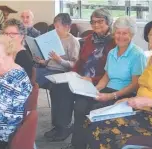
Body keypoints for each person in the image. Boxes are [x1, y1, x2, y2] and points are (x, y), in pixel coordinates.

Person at [86, 16, 152, 149]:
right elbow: (147, 88)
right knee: (91, 119)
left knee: (99, 128)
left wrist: (149, 103)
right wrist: (129, 99)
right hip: (142, 111)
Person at [68, 16, 147, 149]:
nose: (120, 36)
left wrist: (112, 96)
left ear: (131, 35)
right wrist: (96, 90)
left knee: (95, 110)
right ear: (114, 33)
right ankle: (77, 145)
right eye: (118, 32)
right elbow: (106, 76)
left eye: (125, 33)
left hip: (125, 94)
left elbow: (135, 85)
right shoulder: (112, 52)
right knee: (80, 105)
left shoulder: (137, 54)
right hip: (108, 90)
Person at [44, 8, 116, 147]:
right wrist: (74, 72)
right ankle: (62, 127)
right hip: (82, 78)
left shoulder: (113, 42)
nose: (96, 25)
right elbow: (81, 61)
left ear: (108, 22)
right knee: (58, 88)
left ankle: (76, 141)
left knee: (81, 106)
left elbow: (111, 72)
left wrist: (92, 80)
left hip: (98, 82)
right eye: (93, 22)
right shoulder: (89, 39)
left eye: (100, 21)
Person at [34, 13, 80, 87]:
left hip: (59, 72)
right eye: (55, 27)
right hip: (47, 69)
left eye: (58, 27)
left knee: (35, 82)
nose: (55, 29)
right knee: (28, 74)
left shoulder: (73, 41)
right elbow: (49, 60)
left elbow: (74, 64)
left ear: (66, 27)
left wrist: (60, 60)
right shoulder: (54, 38)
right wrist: (42, 61)